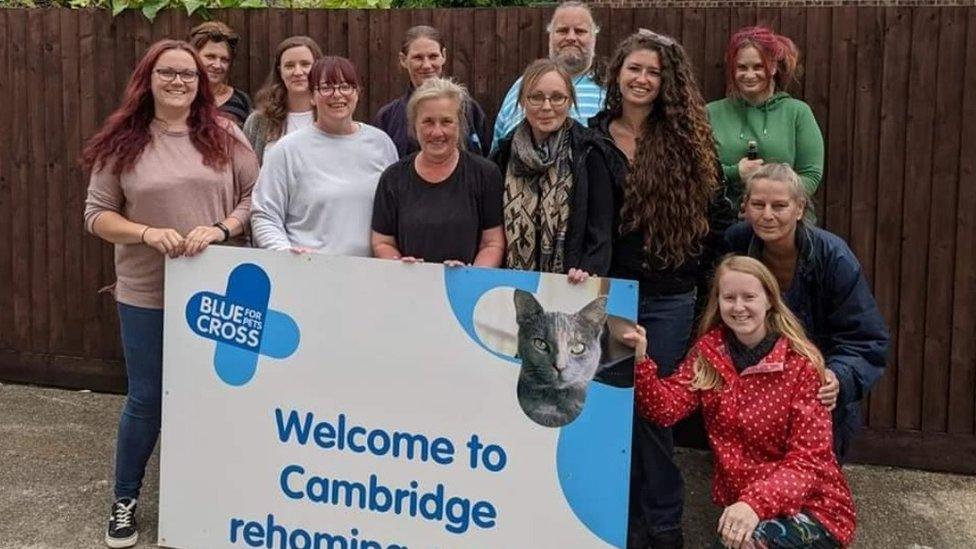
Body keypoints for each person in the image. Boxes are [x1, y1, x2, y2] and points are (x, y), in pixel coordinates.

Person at [82, 39, 258, 548]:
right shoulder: (124, 141)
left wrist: (223, 228)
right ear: (148, 78)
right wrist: (144, 232)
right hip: (147, 292)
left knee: (222, 395)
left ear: (201, 83)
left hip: (220, 290)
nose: (179, 81)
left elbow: (254, 196)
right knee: (146, 399)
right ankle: (125, 499)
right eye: (168, 73)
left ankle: (217, 495)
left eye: (188, 73)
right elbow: (96, 214)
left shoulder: (225, 134)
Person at [590, 30, 735, 549]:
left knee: (655, 411)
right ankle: (619, 517)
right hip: (611, 294)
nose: (642, 79)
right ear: (618, 74)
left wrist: (705, 292)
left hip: (670, 297)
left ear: (666, 80)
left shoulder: (686, 142)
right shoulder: (593, 137)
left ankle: (664, 522)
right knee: (611, 410)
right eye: (634, 69)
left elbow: (715, 221)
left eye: (653, 71)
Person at [627, 255, 856, 549]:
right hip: (747, 511)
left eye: (749, 297)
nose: (738, 307)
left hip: (814, 508)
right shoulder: (708, 353)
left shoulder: (801, 365)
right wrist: (641, 360)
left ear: (769, 300)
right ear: (718, 303)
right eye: (729, 297)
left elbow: (808, 461)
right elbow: (665, 409)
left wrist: (754, 504)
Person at [725, 163, 890, 460]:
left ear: (800, 208)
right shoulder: (734, 244)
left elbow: (867, 338)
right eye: (758, 204)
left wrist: (837, 376)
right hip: (754, 382)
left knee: (811, 482)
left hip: (815, 384)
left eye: (779, 205)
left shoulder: (834, 257)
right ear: (745, 207)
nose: (767, 215)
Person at [251, 56, 398, 254]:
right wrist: (284, 253)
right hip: (308, 273)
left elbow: (396, 214)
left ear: (357, 93)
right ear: (312, 95)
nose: (337, 95)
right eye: (326, 87)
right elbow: (265, 215)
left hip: (369, 275)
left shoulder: (381, 144)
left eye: (345, 86)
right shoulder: (287, 150)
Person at [491, 58, 615, 281]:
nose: (546, 107)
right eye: (536, 97)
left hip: (571, 284)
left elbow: (601, 229)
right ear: (522, 102)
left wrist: (588, 269)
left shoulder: (590, 152)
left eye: (557, 97)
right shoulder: (504, 155)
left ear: (570, 102)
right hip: (510, 286)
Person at [372, 77, 504, 266]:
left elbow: (492, 243)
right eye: (428, 122)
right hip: (408, 289)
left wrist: (471, 276)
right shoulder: (392, 178)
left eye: (446, 121)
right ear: (414, 125)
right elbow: (382, 241)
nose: (437, 132)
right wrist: (399, 265)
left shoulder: (486, 174)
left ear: (459, 124)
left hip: (467, 291)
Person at [707, 26, 824, 218]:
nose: (749, 75)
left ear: (774, 67)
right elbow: (697, 173)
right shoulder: (711, 113)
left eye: (758, 66)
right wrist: (735, 172)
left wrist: (765, 203)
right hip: (723, 222)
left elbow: (811, 175)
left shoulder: (797, 112)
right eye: (742, 67)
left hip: (784, 225)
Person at [490, 0, 605, 153]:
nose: (571, 37)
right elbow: (497, 151)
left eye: (580, 31)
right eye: (563, 30)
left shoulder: (608, 90)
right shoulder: (522, 86)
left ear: (594, 38)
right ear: (550, 37)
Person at [374, 25, 490, 158]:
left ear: (443, 56)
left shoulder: (469, 110)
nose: (427, 65)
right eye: (418, 58)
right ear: (403, 60)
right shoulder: (387, 118)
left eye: (433, 56)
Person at [243, 36, 323, 163]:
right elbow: (248, 174)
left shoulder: (331, 118)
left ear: (318, 68)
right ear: (280, 71)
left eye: (305, 64)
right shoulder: (258, 121)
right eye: (290, 66)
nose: (298, 72)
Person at [187, 21, 252, 126]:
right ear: (194, 55)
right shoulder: (181, 96)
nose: (217, 65)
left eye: (224, 60)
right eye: (210, 57)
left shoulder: (241, 100)